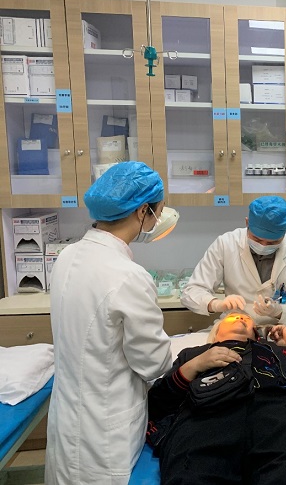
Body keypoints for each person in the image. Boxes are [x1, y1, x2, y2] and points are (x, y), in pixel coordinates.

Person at [179, 195, 286, 480]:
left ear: (285, 233)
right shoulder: (226, 245)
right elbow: (191, 292)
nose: (263, 246)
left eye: (271, 241)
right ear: (246, 223)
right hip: (233, 335)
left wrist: (280, 311)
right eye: (257, 239)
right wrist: (216, 303)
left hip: (281, 334)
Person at [46, 162, 175, 485]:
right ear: (143, 211)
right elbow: (153, 363)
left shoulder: (67, 257)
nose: (158, 219)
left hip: (67, 419)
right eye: (157, 211)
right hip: (105, 430)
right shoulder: (128, 276)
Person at [148, 314, 286, 485]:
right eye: (232, 317)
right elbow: (158, 401)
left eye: (246, 318)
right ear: (216, 333)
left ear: (256, 334)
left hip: (278, 416)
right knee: (191, 475)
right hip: (205, 418)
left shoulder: (278, 352)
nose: (240, 317)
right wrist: (193, 366)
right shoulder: (193, 354)